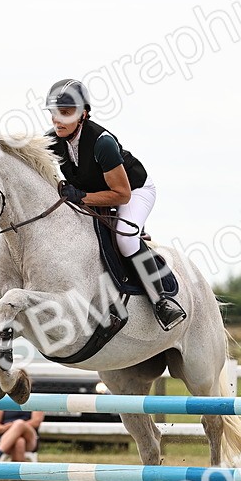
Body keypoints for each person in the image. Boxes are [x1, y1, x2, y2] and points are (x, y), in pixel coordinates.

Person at [43, 78, 186, 331]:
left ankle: (162, 301)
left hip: (135, 190)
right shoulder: (53, 140)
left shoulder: (102, 143)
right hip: (97, 191)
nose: (57, 120)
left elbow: (122, 194)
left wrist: (82, 197)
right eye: (54, 113)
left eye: (65, 113)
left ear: (83, 114)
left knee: (126, 241)